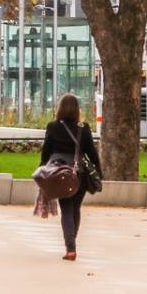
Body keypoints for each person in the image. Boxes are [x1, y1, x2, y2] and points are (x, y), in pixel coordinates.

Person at [38, 93, 102, 261]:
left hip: (59, 174)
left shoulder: (53, 126)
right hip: (79, 173)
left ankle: (71, 248)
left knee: (66, 208)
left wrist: (43, 168)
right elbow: (92, 154)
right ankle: (72, 243)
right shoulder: (83, 127)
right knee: (75, 208)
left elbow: (46, 150)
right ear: (76, 109)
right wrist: (98, 172)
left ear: (60, 108)